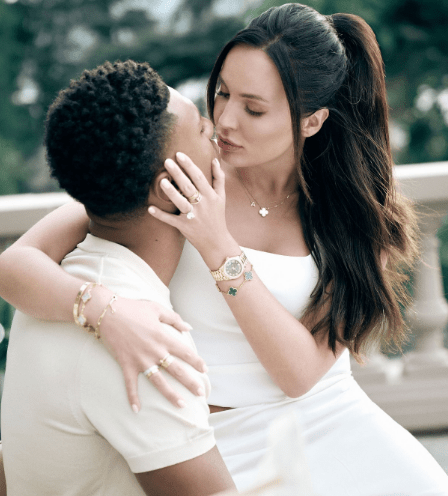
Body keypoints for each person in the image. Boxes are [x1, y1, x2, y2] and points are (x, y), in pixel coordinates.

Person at [0, 3, 447, 495]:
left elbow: (299, 374)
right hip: (205, 445)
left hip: (328, 424)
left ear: (312, 121)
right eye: (222, 93)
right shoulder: (186, 172)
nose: (225, 121)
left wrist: (217, 245)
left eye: (253, 109)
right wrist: (107, 311)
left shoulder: (355, 218)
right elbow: (14, 266)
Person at [0, 59, 235, 496]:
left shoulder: (61, 280)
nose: (220, 134)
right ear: (170, 188)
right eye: (204, 131)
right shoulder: (148, 348)